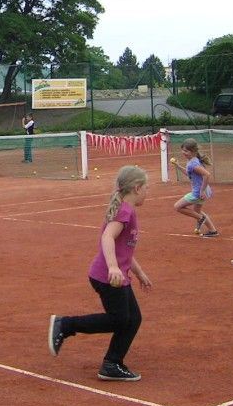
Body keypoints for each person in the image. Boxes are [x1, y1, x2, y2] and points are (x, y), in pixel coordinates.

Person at [48, 165, 152, 380]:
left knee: (132, 319)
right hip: (107, 277)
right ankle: (65, 325)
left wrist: (139, 273)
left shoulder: (127, 210)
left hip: (116, 276)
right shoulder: (125, 211)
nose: (147, 192)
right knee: (119, 320)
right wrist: (113, 267)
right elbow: (108, 238)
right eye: (146, 188)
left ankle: (112, 364)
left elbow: (125, 249)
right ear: (136, 188)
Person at [171, 138, 219, 237]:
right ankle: (213, 230)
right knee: (197, 211)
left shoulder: (193, 163)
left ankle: (200, 218)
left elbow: (207, 175)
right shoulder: (193, 161)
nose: (183, 152)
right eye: (183, 150)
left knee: (178, 207)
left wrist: (201, 191)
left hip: (198, 192)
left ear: (193, 151)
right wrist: (178, 166)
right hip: (204, 191)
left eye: (186, 151)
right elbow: (189, 174)